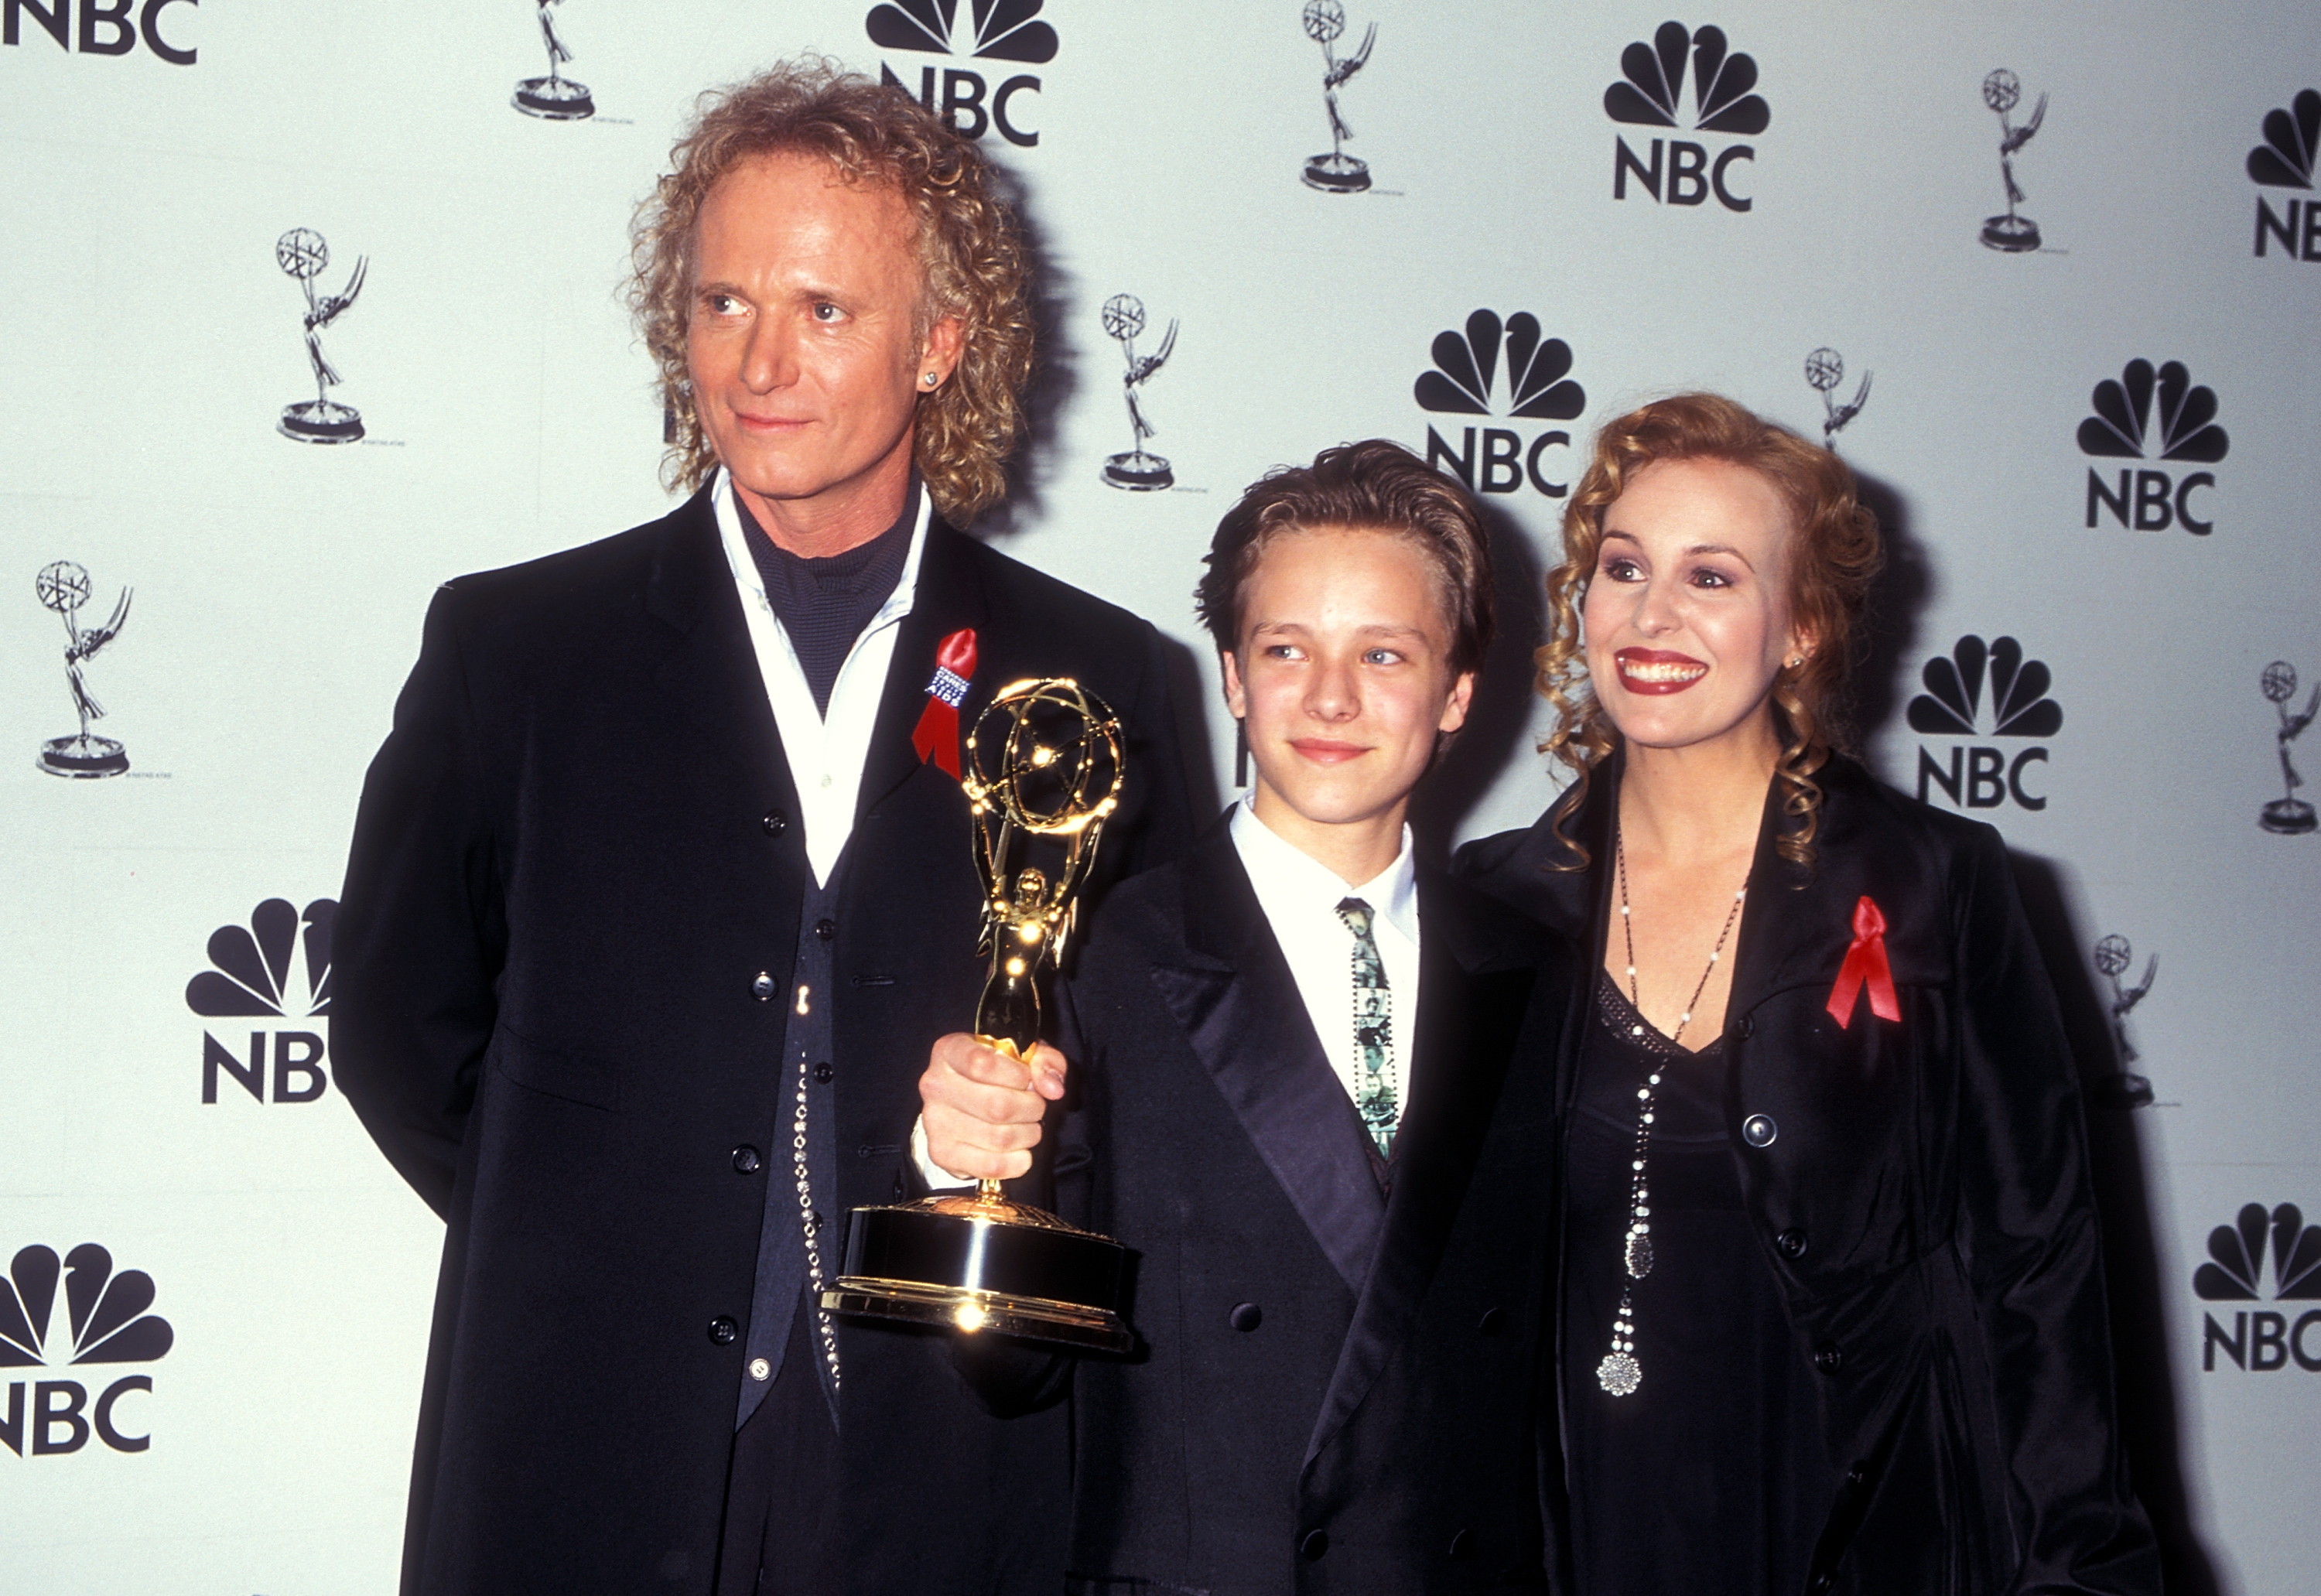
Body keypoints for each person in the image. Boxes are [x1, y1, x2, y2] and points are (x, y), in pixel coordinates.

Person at [331, 62, 1193, 1596]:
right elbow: (400, 1026)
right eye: (723, 303)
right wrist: (611, 1234)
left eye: (825, 311)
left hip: (941, 1463)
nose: (760, 364)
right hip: (579, 1452)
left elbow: (1151, 1087)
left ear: (941, 344)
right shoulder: (520, 652)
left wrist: (983, 1165)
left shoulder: (1100, 680)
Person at [1458, 394, 2159, 1594]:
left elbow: (2037, 1271)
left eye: (1714, 578)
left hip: (1856, 1530)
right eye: (1622, 567)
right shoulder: (1494, 904)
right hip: (1575, 1538)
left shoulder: (1936, 886)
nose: (1653, 614)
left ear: (1802, 630)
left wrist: (2081, 1571)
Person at [920, 440, 1574, 1594]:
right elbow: (1011, 1373)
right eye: (1287, 648)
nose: (1331, 697)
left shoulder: (1535, 971)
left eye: (1384, 652)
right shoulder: (1104, 954)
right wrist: (960, 1166)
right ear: (1231, 676)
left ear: (1459, 692)